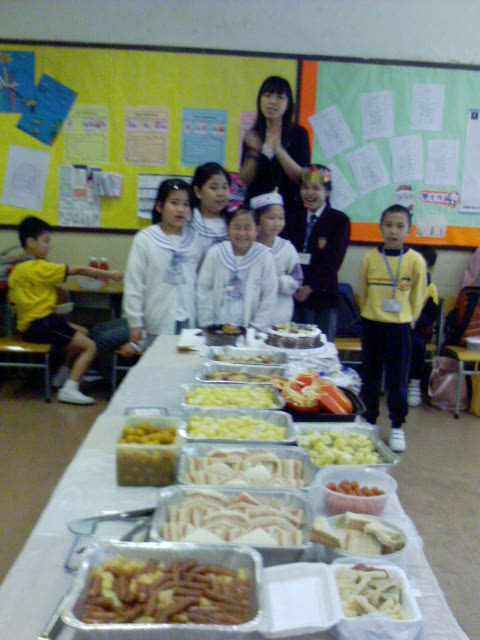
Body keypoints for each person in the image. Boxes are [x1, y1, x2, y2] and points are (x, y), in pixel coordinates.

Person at [8, 216, 123, 405]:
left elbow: (15, 302)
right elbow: (79, 270)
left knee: (83, 331)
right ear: (31, 242)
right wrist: (110, 274)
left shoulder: (16, 272)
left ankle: (62, 376)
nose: (49, 246)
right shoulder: (41, 267)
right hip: (44, 325)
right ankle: (70, 389)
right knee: (91, 346)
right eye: (45, 241)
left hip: (28, 328)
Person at [358, 204, 426, 453]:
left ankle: (397, 424)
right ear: (380, 228)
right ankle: (370, 420)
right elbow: (363, 292)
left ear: (409, 230)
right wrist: (369, 313)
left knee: (398, 378)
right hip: (372, 324)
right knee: (370, 376)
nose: (393, 231)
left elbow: (419, 294)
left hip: (400, 327)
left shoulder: (415, 260)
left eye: (399, 226)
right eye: (388, 225)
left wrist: (411, 317)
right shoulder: (369, 258)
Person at [123, 178, 203, 345]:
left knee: (185, 360)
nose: (181, 209)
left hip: (188, 320)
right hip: (156, 321)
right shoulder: (145, 239)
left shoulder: (194, 240)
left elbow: (199, 283)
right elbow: (134, 284)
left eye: (186, 204)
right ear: (159, 206)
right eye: (174, 203)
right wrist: (135, 322)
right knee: (156, 360)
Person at [239, 76, 310, 243]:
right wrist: (255, 151)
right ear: (260, 99)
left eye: (279, 97)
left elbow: (302, 177)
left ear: (288, 103)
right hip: (256, 215)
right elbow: (245, 180)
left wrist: (278, 149)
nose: (272, 102)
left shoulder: (298, 134)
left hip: (289, 214)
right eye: (268, 95)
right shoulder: (253, 134)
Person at [197, 206, 277, 331]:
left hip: (250, 329)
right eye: (236, 227)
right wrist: (208, 324)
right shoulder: (216, 253)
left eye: (247, 228)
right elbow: (203, 289)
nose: (242, 233)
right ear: (228, 228)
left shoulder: (265, 257)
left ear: (257, 230)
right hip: (216, 327)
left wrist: (255, 329)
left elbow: (269, 295)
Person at [294, 165, 350, 341]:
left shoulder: (339, 220)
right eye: (305, 187)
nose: (310, 193)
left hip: (322, 296)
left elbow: (334, 261)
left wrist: (310, 287)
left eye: (316, 188)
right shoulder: (293, 217)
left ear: (328, 192)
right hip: (294, 295)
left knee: (320, 348)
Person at [252, 190, 302, 323]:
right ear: (257, 219)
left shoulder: (287, 248)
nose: (277, 223)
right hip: (251, 310)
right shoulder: (249, 246)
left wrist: (279, 282)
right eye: (271, 218)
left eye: (281, 218)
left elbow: (297, 278)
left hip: (279, 312)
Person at [408, 246, 439, 407]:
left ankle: (414, 384)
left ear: (429, 266)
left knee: (418, 345)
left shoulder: (431, 289)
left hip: (416, 329)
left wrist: (413, 320)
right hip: (397, 325)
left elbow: (429, 317)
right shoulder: (404, 282)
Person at [190, 162, 231, 259]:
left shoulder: (232, 221)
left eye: (225, 187)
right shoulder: (190, 220)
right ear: (198, 192)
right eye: (213, 188)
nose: (221, 193)